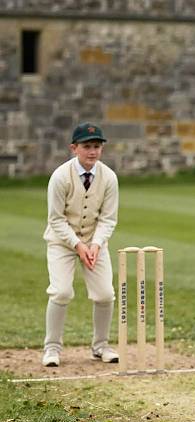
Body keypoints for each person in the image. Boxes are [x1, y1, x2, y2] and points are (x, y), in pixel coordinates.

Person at [42, 122, 119, 367]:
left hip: (95, 242)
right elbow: (55, 219)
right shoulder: (60, 177)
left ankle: (101, 346)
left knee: (106, 294)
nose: (92, 151)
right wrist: (78, 245)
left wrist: (95, 245)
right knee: (61, 292)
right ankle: (52, 349)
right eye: (87, 146)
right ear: (74, 148)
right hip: (62, 242)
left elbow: (108, 218)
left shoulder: (109, 177)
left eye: (97, 146)